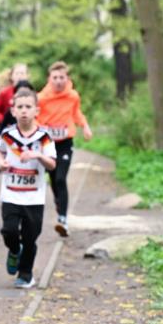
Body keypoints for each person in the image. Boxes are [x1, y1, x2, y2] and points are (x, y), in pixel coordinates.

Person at [0, 87, 56, 289]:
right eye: (19, 107)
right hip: (11, 194)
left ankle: (25, 273)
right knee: (9, 230)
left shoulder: (44, 137)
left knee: (30, 238)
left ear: (36, 111)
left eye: (28, 107)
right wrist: (1, 162)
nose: (24, 111)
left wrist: (37, 155)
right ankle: (14, 250)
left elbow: (52, 164)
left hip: (34, 197)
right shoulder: (7, 135)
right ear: (13, 111)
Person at [37, 61, 92, 237]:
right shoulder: (41, 98)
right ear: (49, 79)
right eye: (55, 78)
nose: (59, 81)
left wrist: (85, 126)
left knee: (60, 178)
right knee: (54, 180)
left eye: (62, 77)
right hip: (47, 143)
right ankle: (60, 204)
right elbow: (35, 117)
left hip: (65, 143)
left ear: (67, 78)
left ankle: (63, 219)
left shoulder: (73, 96)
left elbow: (76, 113)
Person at [0, 62, 30, 131]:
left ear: (27, 76)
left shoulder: (32, 93)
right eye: (17, 73)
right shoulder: (5, 93)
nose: (19, 76)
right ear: (11, 76)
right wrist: (3, 121)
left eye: (22, 73)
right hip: (10, 129)